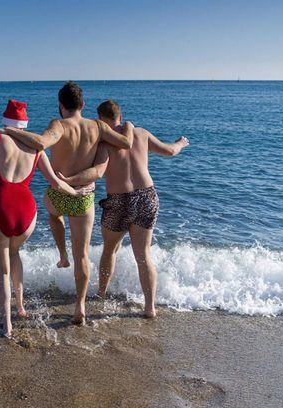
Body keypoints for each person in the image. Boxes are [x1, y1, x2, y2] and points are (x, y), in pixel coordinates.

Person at [1, 82, 134, 325]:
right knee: (82, 254)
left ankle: (62, 254)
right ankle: (80, 306)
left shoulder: (59, 124)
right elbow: (126, 143)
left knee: (52, 211)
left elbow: (41, 143)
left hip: (59, 193)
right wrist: (129, 128)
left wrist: (10, 132)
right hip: (84, 197)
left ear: (61, 106)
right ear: (82, 105)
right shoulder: (98, 126)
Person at [58, 100, 189, 317]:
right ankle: (150, 308)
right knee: (143, 254)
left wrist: (68, 180)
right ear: (120, 115)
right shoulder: (141, 133)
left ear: (100, 119)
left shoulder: (104, 142)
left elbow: (98, 171)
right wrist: (181, 143)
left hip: (119, 201)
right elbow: (170, 151)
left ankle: (101, 294)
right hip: (147, 197)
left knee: (110, 250)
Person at [0, 99, 78, 337]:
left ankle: (7, 324)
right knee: (15, 254)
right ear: (25, 123)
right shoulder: (37, 149)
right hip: (26, 213)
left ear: (5, 121)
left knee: (3, 271)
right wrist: (77, 192)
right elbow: (56, 183)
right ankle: (20, 305)